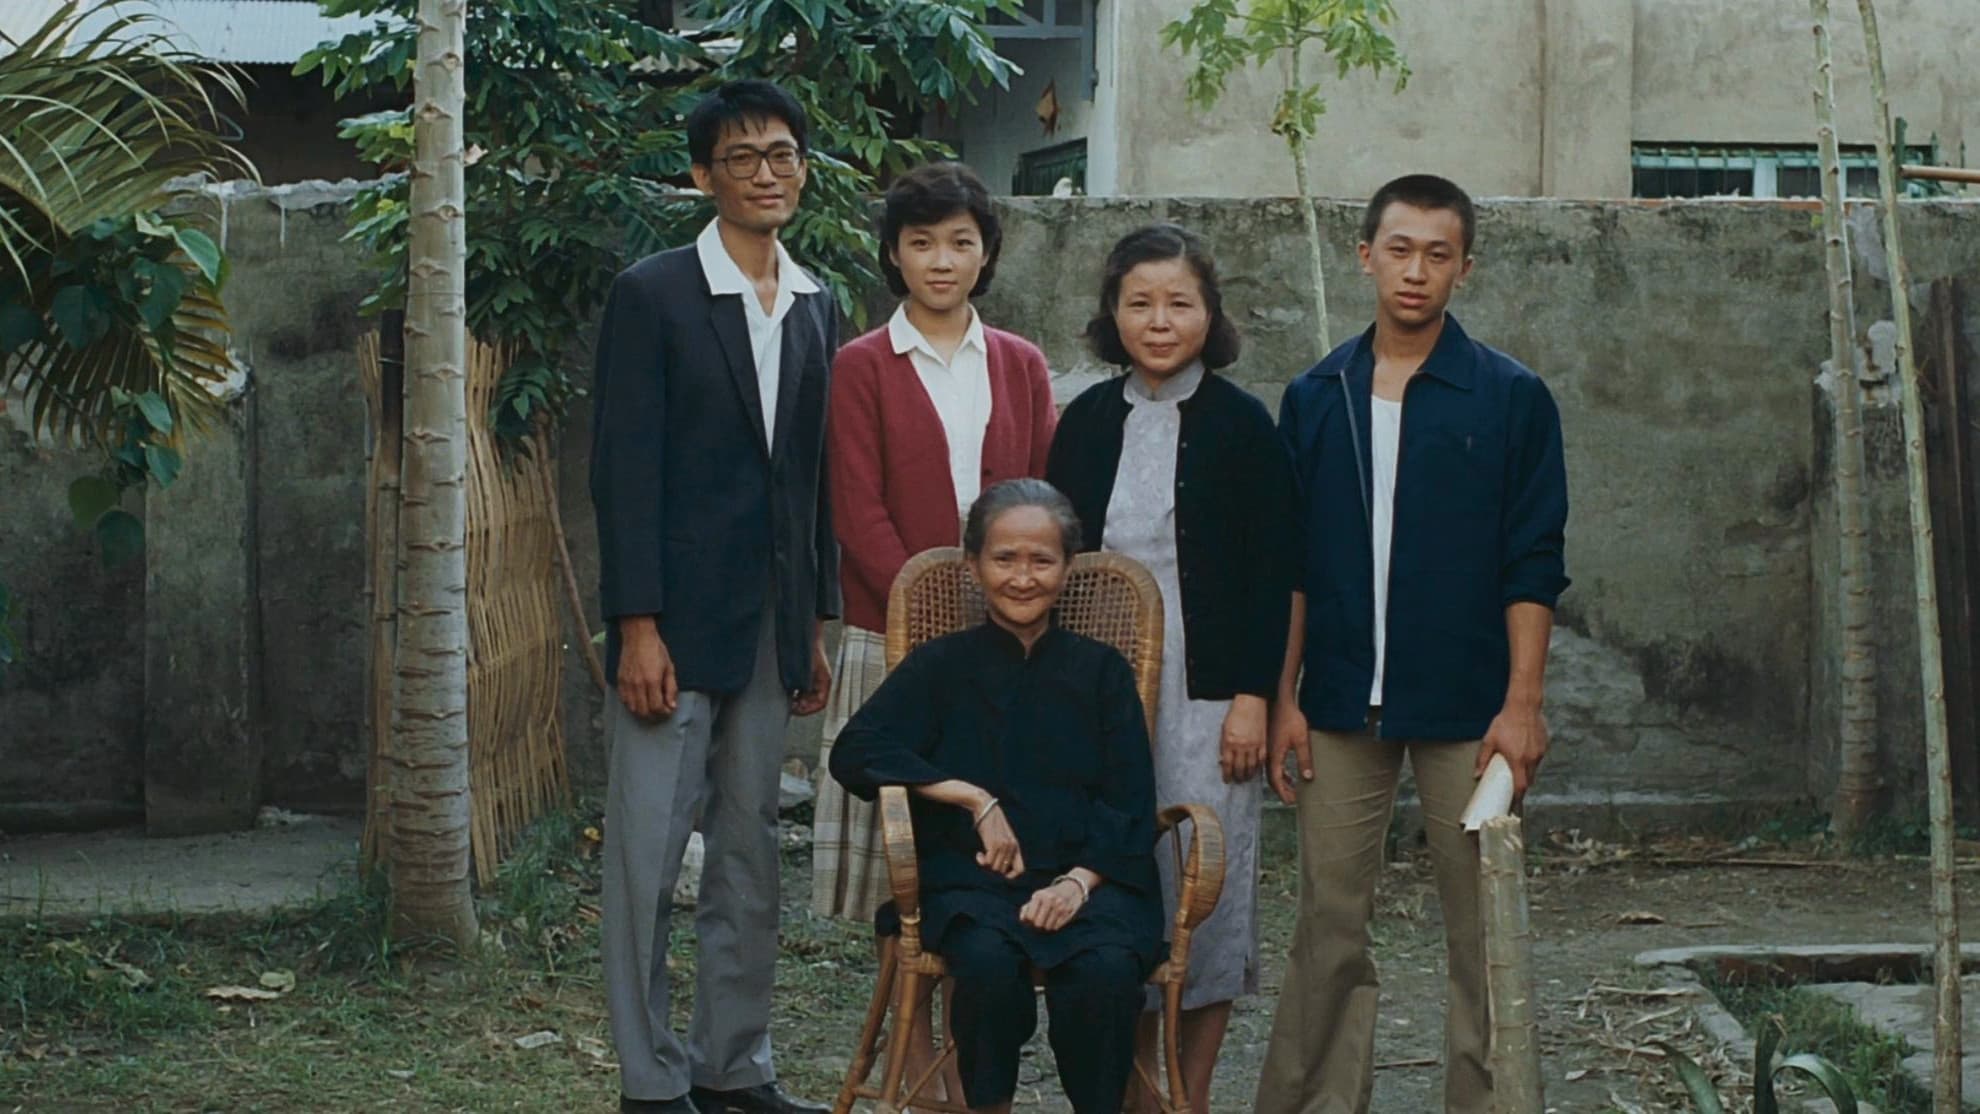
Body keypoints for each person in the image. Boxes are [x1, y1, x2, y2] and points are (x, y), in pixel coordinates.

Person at [1254, 174, 1570, 1114]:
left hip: (1469, 707)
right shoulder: (1318, 394)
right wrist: (1284, 698)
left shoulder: (1511, 396)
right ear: (1366, 256)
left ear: (1464, 268)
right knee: (1328, 924)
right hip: (1338, 701)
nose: (1416, 271)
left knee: (1482, 931)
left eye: (1439, 254)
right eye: (1399, 250)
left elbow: (1533, 561)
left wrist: (1522, 706)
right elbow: (1290, 563)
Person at [590, 79, 838, 1114]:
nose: (767, 173)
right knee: (648, 859)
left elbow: (812, 480)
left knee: (749, 857)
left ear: (803, 169)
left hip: (773, 628)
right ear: (703, 176)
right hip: (675, 624)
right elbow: (623, 468)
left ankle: (733, 1065)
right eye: (742, 158)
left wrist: (814, 621)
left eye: (783, 154)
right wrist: (637, 626)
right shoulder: (653, 294)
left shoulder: (818, 302)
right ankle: (650, 1083)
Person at [1045, 223, 1298, 1113]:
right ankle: (1130, 1089)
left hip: (1211, 688)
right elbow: (1054, 565)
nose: (1160, 322)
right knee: (1113, 877)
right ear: (1112, 315)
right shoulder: (1083, 420)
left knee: (1203, 879)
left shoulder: (1244, 425)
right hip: (1098, 685)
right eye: (1140, 303)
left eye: (1179, 303)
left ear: (1210, 314)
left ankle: (1188, 1095)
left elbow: (1274, 575)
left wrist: (1254, 698)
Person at [829, 479, 1163, 1114]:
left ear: (1068, 567)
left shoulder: (1102, 671)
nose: (1023, 578)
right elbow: (856, 750)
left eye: (1042, 560)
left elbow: (1130, 799)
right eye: (1004, 559)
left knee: (1105, 973)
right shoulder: (939, 665)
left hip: (1091, 886)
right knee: (985, 964)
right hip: (973, 885)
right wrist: (971, 798)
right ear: (973, 565)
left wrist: (1077, 884)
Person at [813, 159, 1057, 924]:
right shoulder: (859, 366)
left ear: (986, 251)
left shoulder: (1020, 363)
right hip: (891, 628)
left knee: (991, 842)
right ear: (894, 254)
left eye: (960, 241)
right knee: (899, 862)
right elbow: (856, 509)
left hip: (1005, 630)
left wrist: (1004, 603)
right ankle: (905, 999)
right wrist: (929, 610)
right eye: (921, 243)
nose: (941, 261)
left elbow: (1043, 495)